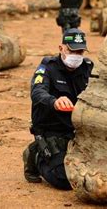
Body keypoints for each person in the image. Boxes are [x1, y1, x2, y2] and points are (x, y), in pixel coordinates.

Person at [22, 28, 93, 190]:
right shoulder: (48, 67)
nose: (76, 55)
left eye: (80, 51)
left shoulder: (87, 67)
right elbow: (37, 92)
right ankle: (35, 154)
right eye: (72, 50)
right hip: (51, 130)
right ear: (61, 48)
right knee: (65, 179)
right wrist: (54, 101)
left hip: (76, 129)